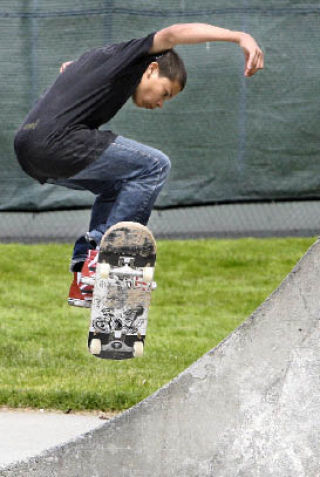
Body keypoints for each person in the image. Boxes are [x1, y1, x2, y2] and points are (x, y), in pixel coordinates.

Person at [14, 23, 264, 307]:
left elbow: (70, 69)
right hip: (57, 142)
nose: (160, 104)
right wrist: (238, 36)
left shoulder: (103, 62)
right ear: (152, 70)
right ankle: (109, 261)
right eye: (166, 93)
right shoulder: (135, 57)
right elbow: (172, 35)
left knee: (116, 187)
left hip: (28, 148)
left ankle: (86, 275)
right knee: (154, 166)